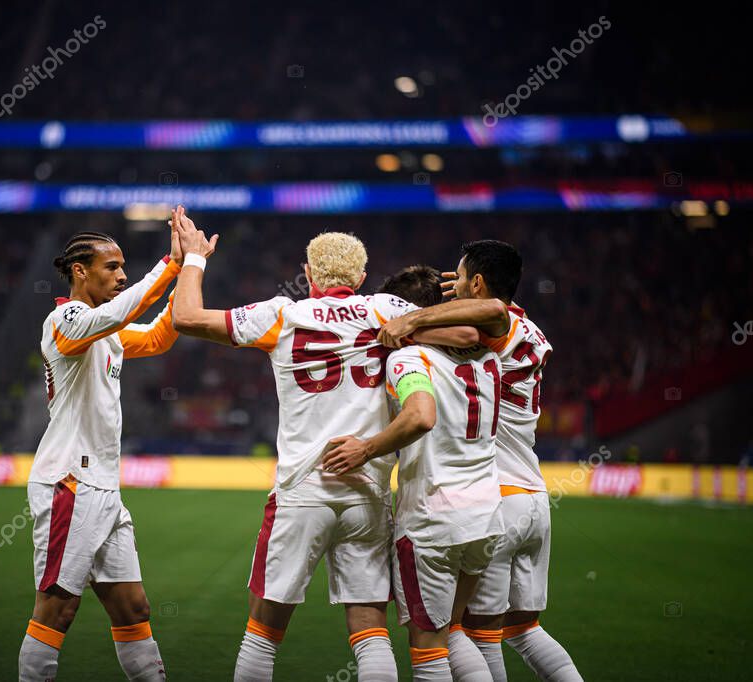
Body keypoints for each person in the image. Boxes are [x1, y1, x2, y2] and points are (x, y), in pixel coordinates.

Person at [169, 206, 477, 681]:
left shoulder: (281, 314)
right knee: (370, 630)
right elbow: (468, 334)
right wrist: (414, 321)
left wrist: (193, 258)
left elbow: (185, 317)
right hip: (367, 492)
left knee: (263, 633)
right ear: (362, 277)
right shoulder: (386, 308)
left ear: (308, 273)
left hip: (302, 492)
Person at [379, 241, 582, 681]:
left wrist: (410, 319)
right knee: (524, 629)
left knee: (471, 634)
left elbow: (486, 316)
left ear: (478, 283)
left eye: (458, 279)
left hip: (495, 496)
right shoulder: (531, 330)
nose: (451, 290)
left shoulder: (492, 326)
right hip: (534, 497)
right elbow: (489, 312)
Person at [18, 222, 204, 682]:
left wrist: (191, 270)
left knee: (133, 608)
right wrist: (172, 263)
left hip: (102, 489)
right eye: (112, 266)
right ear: (80, 271)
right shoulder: (65, 321)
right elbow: (125, 310)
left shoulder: (107, 331)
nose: (122, 275)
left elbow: (158, 336)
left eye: (123, 267)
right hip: (70, 483)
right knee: (57, 610)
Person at [324, 265, 503, 682]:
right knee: (453, 631)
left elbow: (421, 416)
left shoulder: (409, 358)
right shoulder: (487, 357)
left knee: (429, 649)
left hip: (433, 519)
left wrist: (365, 449)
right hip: (485, 513)